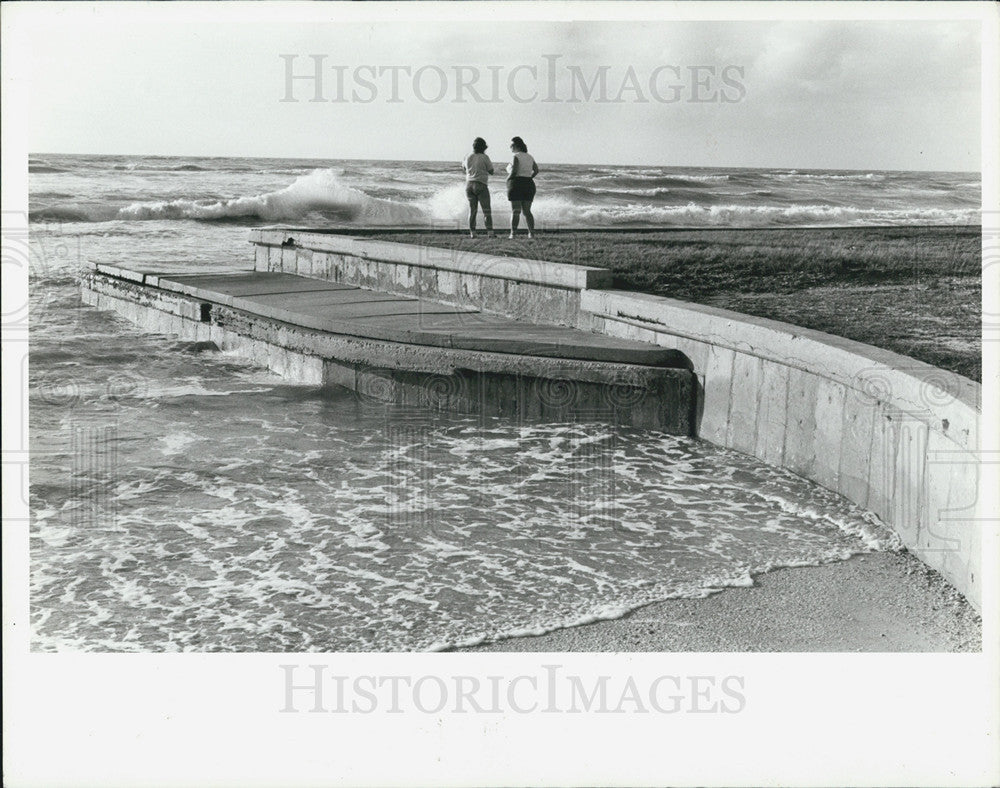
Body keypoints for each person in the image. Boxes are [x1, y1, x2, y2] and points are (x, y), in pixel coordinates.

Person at [506, 136, 538, 239]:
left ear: (515, 146)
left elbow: (514, 171)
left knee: (515, 211)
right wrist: (529, 177)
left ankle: (513, 233)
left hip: (517, 183)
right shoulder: (529, 156)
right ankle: (531, 233)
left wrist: (507, 179)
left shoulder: (515, 156)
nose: (510, 147)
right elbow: (536, 170)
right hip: (529, 183)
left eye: (511, 145)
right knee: (527, 211)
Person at [462, 137, 494, 238]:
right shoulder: (485, 157)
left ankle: (473, 233)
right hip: (481, 184)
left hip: (469, 184)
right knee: (486, 210)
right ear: (483, 147)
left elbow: (464, 168)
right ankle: (490, 233)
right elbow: (491, 171)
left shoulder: (467, 156)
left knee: (472, 210)